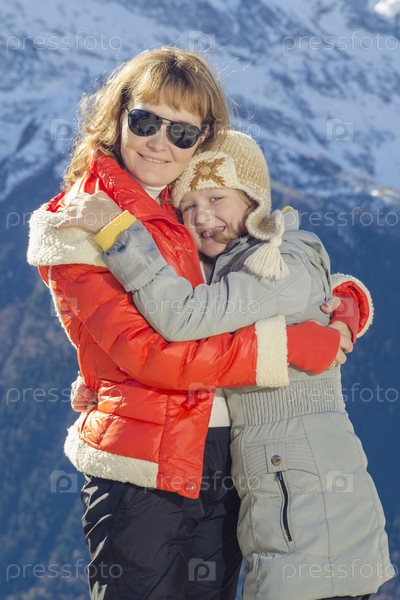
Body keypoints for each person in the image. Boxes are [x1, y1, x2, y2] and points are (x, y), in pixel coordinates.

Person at [27, 47, 358, 600]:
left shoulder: (182, 206)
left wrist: (345, 304)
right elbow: (149, 355)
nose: (160, 142)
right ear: (118, 114)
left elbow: (252, 275)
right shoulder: (81, 218)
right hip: (142, 469)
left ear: (203, 140)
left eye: (181, 132)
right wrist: (283, 349)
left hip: (227, 458)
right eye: (145, 121)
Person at [68, 130, 393, 600]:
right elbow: (210, 345)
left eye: (217, 198)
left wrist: (119, 237)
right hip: (276, 500)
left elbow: (184, 317)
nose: (202, 216)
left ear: (254, 200)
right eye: (188, 206)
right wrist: (106, 380)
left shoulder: (275, 260)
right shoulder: (232, 263)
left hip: (308, 505)